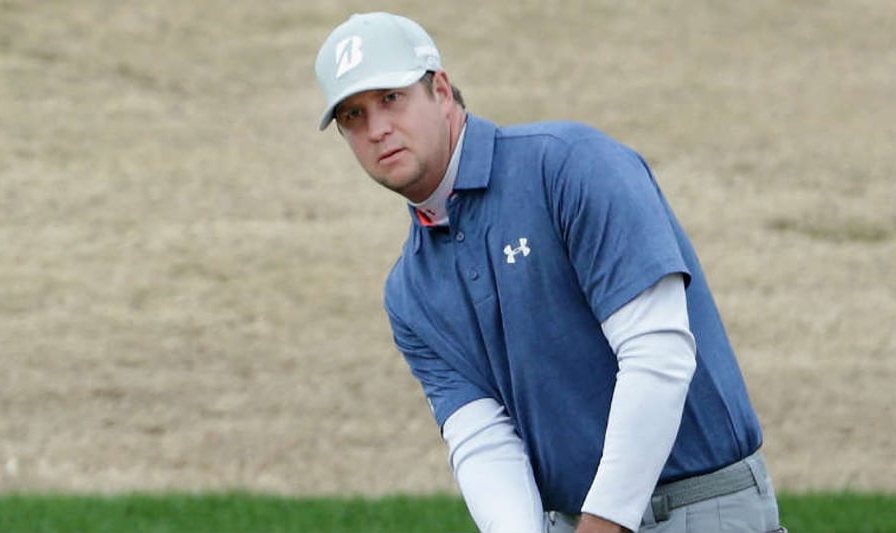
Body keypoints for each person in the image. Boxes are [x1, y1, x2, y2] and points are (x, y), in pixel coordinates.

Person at [313, 12, 784, 533]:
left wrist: (604, 523)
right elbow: (483, 439)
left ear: (441, 90)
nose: (377, 129)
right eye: (353, 116)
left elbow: (659, 354)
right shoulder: (409, 291)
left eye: (391, 98)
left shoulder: (571, 166)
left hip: (699, 509)